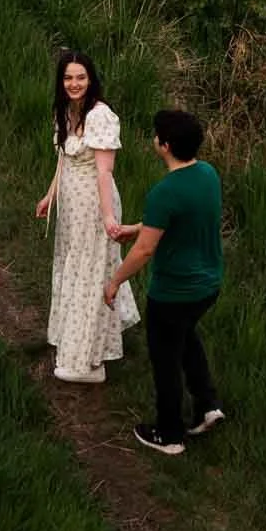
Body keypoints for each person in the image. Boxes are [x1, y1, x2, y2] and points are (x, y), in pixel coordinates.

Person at [104, 108, 225, 455]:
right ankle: (207, 405)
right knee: (187, 338)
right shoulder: (208, 174)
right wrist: (138, 226)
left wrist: (114, 281)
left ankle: (169, 435)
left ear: (165, 145)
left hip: (173, 293)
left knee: (166, 360)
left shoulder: (164, 192)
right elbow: (181, 217)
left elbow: (143, 253)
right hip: (208, 286)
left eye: (157, 134)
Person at [36, 51, 139, 383]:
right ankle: (79, 343)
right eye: (68, 78)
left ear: (91, 79)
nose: (74, 84)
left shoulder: (100, 116)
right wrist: (50, 194)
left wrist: (108, 216)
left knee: (89, 272)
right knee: (74, 267)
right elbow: (63, 160)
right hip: (70, 207)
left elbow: (105, 172)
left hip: (94, 206)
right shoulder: (65, 111)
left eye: (80, 77)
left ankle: (88, 362)